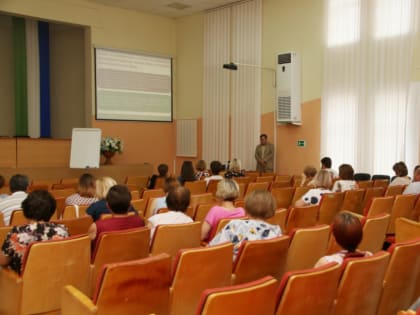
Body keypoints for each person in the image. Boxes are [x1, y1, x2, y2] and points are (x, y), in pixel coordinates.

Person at [0, 190, 69, 274]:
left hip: (22, 283)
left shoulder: (17, 233)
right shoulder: (62, 230)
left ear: (25, 209)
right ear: (52, 210)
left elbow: (3, 261)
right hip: (53, 277)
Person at [209, 190, 282, 260]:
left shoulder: (234, 225)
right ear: (272, 209)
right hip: (264, 271)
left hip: (230, 270)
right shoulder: (276, 233)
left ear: (247, 207)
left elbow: (213, 249)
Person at [88, 185, 144, 251]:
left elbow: (88, 249)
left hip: (106, 261)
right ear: (130, 206)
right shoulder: (140, 221)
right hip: (134, 260)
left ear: (108, 206)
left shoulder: (96, 226)